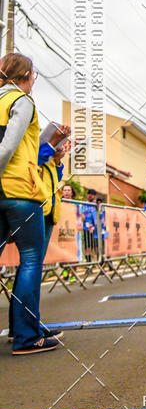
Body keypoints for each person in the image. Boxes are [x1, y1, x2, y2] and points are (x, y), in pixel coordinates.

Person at [0, 53, 62, 354]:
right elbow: (9, 145)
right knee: (31, 260)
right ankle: (26, 336)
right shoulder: (21, 101)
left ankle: (22, 328)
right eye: (33, 74)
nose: (35, 79)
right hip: (20, 191)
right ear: (25, 74)